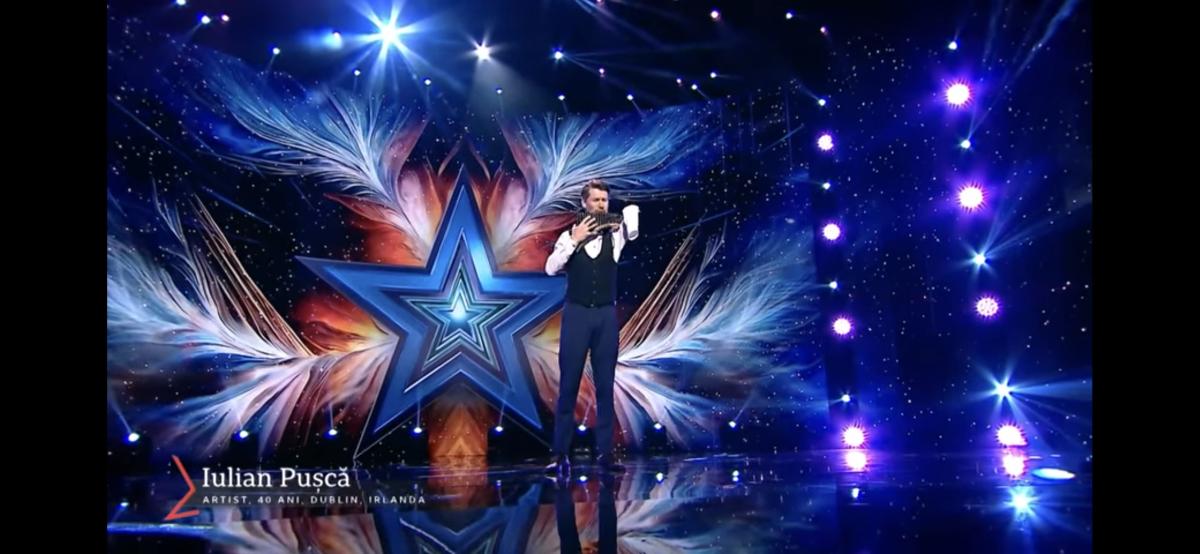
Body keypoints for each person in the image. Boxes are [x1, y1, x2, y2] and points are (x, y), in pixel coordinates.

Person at [543, 180, 640, 474]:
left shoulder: (616, 237)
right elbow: (550, 268)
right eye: (596, 200)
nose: (601, 204)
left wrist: (626, 216)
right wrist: (575, 240)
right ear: (584, 203)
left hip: (605, 317)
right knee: (569, 385)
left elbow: (633, 214)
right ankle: (560, 454)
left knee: (605, 386)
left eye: (604, 200)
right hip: (577, 315)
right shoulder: (568, 235)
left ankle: (605, 454)